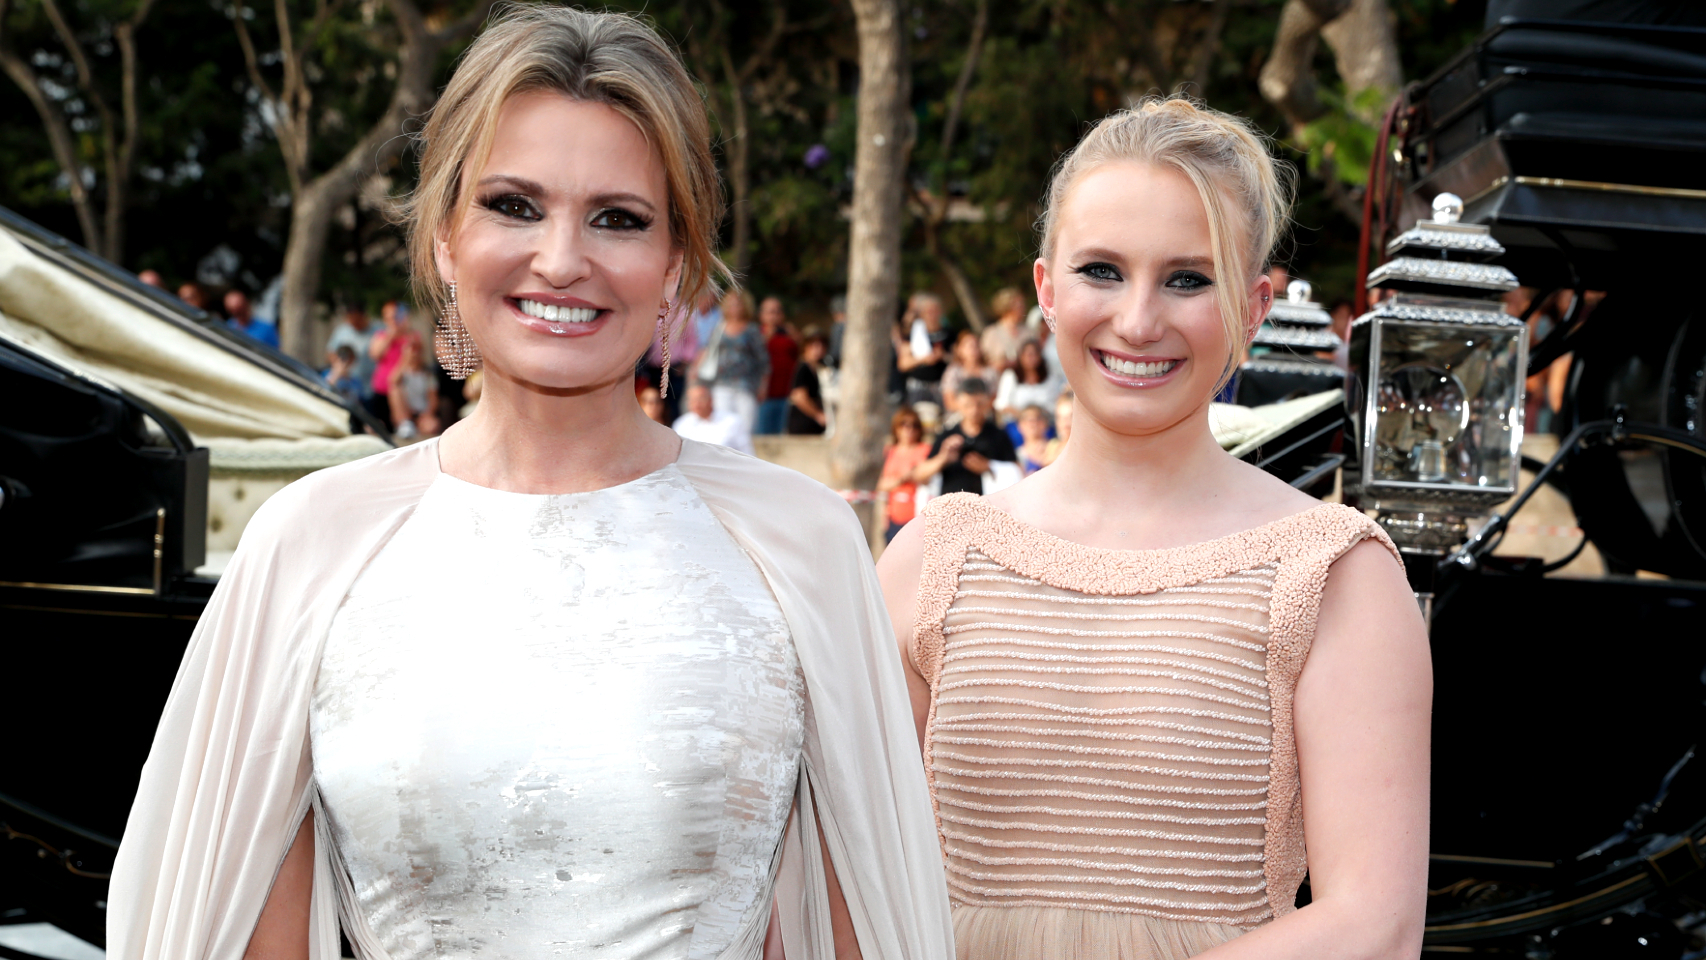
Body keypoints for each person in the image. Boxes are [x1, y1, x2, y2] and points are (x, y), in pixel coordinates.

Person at [106, 9, 953, 960]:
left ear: (673, 266)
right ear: (442, 241)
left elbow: (849, 924)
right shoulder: (314, 543)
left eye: (618, 219)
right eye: (513, 205)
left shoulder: (797, 542)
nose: (561, 259)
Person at [876, 96, 1429, 960]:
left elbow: (1377, 924)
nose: (1138, 321)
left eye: (1187, 278)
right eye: (1101, 270)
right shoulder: (936, 554)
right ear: (1045, 290)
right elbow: (847, 870)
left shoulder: (1334, 574)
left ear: (1253, 308)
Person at [913, 377, 1015, 497]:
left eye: (979, 404)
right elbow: (919, 475)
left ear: (988, 402)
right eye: (968, 405)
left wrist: (989, 466)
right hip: (951, 507)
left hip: (987, 506)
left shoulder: (998, 435)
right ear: (958, 404)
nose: (974, 410)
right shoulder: (947, 435)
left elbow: (1016, 472)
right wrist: (943, 458)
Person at [694, 288, 768, 433]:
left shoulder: (752, 330)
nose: (734, 308)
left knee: (746, 427)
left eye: (738, 304)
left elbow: (763, 361)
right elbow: (709, 349)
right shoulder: (719, 327)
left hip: (746, 384)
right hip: (722, 383)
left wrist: (763, 385)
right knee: (723, 427)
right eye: (731, 304)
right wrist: (696, 369)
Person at [876, 408, 932, 544]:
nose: (909, 429)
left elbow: (926, 477)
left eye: (914, 425)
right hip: (893, 516)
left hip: (917, 514)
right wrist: (902, 478)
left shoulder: (924, 449)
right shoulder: (889, 451)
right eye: (904, 424)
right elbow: (880, 484)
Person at [368, 300, 420, 427]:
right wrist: (391, 335)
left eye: (394, 317)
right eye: (388, 318)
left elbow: (416, 357)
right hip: (381, 391)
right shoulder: (381, 335)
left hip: (403, 388)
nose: (392, 321)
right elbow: (375, 354)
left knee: (395, 385)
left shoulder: (412, 336)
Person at [893, 292, 949, 406]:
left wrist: (943, 356)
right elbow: (902, 364)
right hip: (918, 388)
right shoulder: (913, 334)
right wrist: (923, 359)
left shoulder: (948, 334)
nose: (932, 315)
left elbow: (959, 358)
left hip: (942, 388)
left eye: (935, 311)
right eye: (928, 311)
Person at [756, 296, 799, 435]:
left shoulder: (789, 334)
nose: (774, 316)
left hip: (786, 395)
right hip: (764, 397)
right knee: (763, 436)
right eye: (770, 312)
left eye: (777, 312)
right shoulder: (755, 334)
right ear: (761, 315)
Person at [673, 382, 753, 455]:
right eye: (692, 400)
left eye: (700, 399)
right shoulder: (681, 424)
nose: (697, 404)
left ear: (710, 400)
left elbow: (746, 452)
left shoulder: (732, 421)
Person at [994, 337, 1060, 423]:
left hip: (1044, 424)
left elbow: (1056, 404)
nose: (1031, 359)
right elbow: (1001, 404)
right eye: (1028, 355)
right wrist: (1025, 416)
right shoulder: (1010, 376)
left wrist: (1037, 416)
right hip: (1016, 424)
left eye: (1034, 355)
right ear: (1021, 356)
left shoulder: (1050, 378)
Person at [386, 337, 440, 440]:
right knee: (394, 390)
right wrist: (404, 360)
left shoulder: (427, 373)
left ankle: (418, 428)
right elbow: (392, 381)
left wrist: (427, 414)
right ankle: (405, 423)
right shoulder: (402, 373)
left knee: (432, 426)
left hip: (422, 413)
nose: (414, 354)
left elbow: (433, 398)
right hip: (406, 412)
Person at [325, 303, 378, 403]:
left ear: (364, 316)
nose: (354, 323)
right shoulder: (342, 331)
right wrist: (339, 369)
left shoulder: (377, 331)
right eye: (351, 320)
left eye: (357, 320)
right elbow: (330, 352)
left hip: (369, 388)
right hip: (342, 384)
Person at [940, 329, 992, 414]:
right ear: (959, 349)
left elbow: (994, 399)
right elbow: (949, 402)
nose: (973, 349)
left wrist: (978, 410)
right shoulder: (952, 372)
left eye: (975, 346)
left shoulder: (990, 373)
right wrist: (969, 411)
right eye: (969, 346)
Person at [786, 334, 828, 435]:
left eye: (822, 346)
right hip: (803, 426)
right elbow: (799, 397)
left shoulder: (820, 368)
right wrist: (818, 415)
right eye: (813, 346)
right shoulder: (803, 369)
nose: (818, 350)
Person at [979, 286, 1029, 371]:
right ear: (1007, 307)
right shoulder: (991, 334)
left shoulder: (1028, 331)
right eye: (1019, 306)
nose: (1023, 308)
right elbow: (982, 363)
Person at [1013, 403, 1051, 475]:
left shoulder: (1057, 449)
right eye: (1028, 420)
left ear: (1045, 423)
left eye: (1038, 419)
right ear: (1020, 425)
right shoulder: (1016, 456)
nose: (1033, 424)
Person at [1042, 390, 1073, 465]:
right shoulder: (1052, 445)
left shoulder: (1087, 448)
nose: (1065, 421)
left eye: (1071, 416)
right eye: (1060, 417)